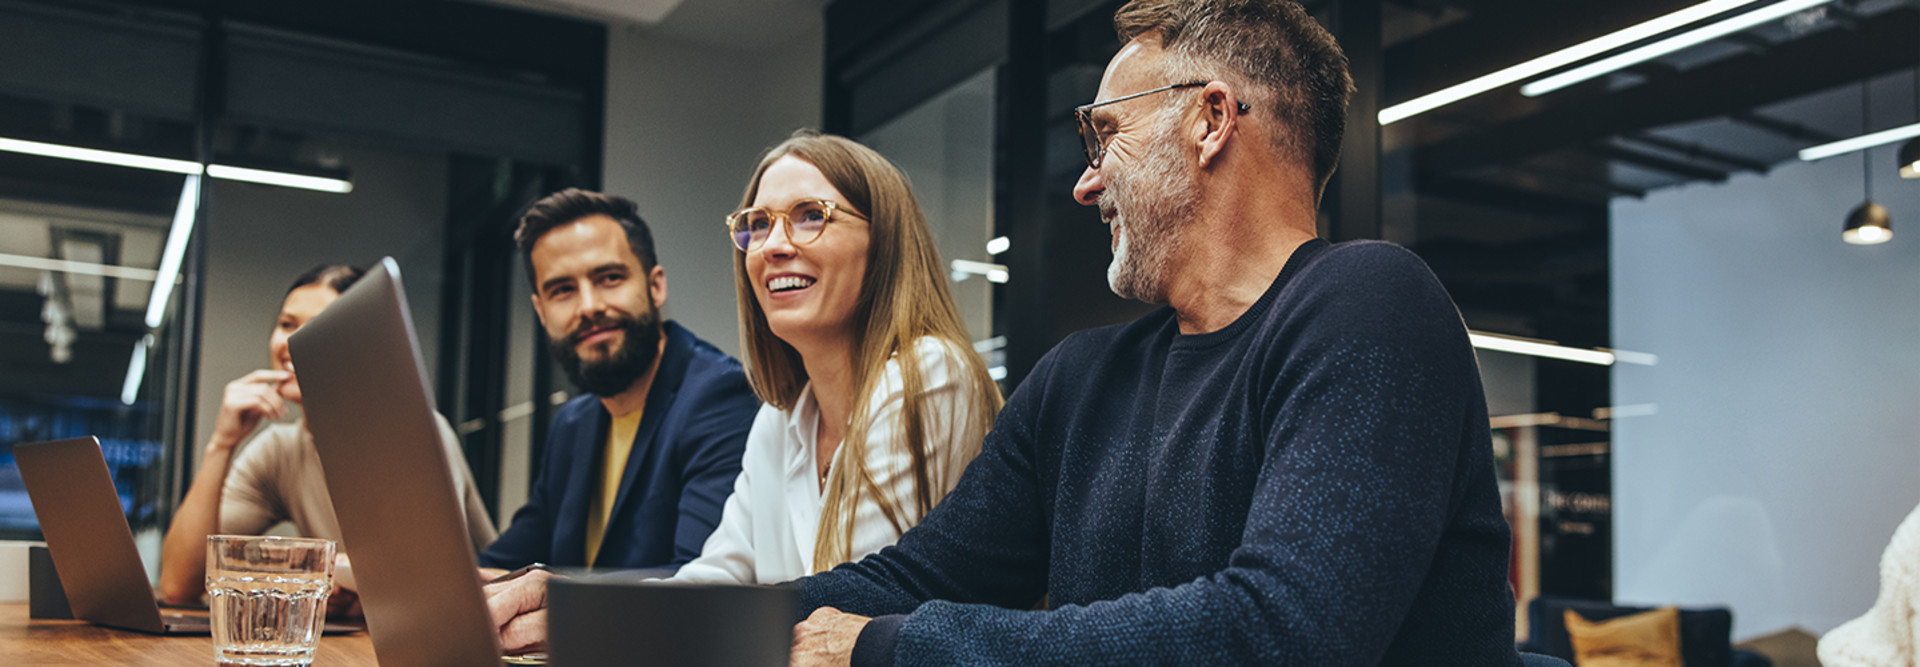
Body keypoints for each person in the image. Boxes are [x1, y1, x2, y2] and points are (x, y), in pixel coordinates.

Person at [491, 0, 1520, 662]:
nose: (1084, 179)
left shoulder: (1370, 302)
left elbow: (1281, 633)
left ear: (1210, 120)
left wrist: (894, 649)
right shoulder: (1083, 378)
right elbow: (908, 575)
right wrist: (613, 621)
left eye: (1104, 133)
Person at [484, 134, 1005, 649]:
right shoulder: (781, 418)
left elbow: (849, 611)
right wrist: (577, 606)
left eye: (811, 215)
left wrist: (592, 621)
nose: (774, 245)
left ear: (884, 241)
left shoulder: (929, 374)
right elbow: (717, 574)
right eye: (757, 224)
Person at [158, 265, 497, 608]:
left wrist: (315, 571)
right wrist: (221, 444)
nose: (291, 343)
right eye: (286, 324)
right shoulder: (279, 450)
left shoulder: (418, 432)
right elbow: (177, 584)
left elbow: (421, 584)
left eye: (316, 328)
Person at [477, 189, 761, 573]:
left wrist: (549, 599)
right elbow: (506, 560)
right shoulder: (572, 424)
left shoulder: (720, 397)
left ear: (655, 286)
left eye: (609, 278)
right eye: (563, 290)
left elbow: (699, 583)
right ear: (541, 313)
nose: (589, 306)